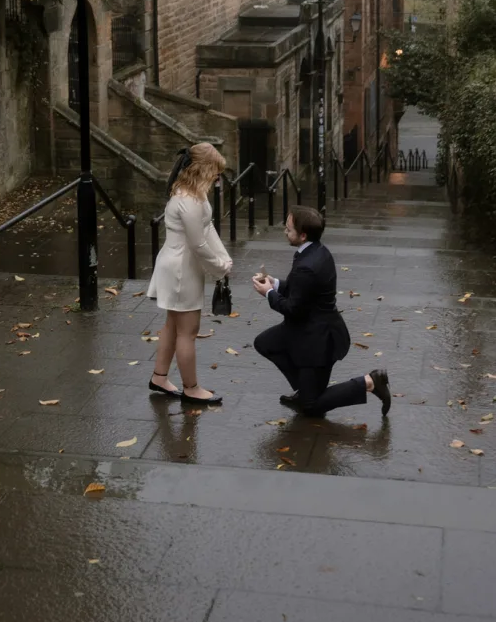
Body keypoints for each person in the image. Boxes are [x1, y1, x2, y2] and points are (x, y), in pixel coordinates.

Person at [252, 205, 391, 417]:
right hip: (307, 327)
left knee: (311, 406)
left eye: (288, 229)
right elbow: (301, 290)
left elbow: (293, 309)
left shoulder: (307, 265)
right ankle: (307, 388)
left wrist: (269, 293)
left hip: (317, 340)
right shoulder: (316, 251)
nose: (285, 232)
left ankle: (370, 382)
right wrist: (276, 284)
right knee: (265, 343)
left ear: (303, 235)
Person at [147, 142, 232, 406]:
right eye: (216, 171)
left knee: (173, 325)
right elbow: (197, 244)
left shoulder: (195, 195)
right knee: (188, 331)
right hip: (181, 271)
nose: (219, 177)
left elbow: (208, 229)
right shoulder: (188, 201)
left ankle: (159, 377)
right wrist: (219, 268)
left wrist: (224, 258)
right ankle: (191, 388)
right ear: (203, 169)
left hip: (180, 266)